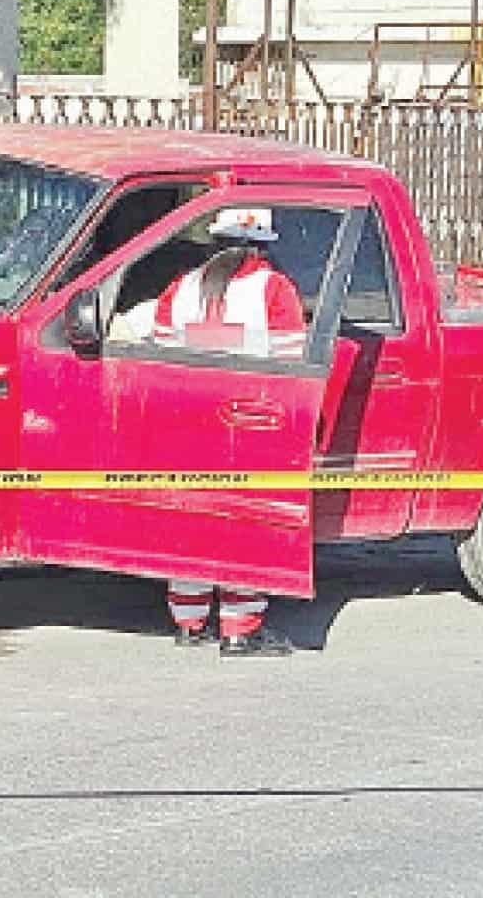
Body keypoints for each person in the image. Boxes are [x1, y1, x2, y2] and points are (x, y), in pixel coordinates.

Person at [151, 207, 306, 656]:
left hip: (187, 424)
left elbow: (163, 355)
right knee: (243, 525)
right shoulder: (274, 289)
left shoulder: (180, 289)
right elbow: (291, 362)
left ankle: (188, 622)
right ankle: (240, 630)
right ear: (262, 245)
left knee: (192, 521)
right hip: (248, 426)